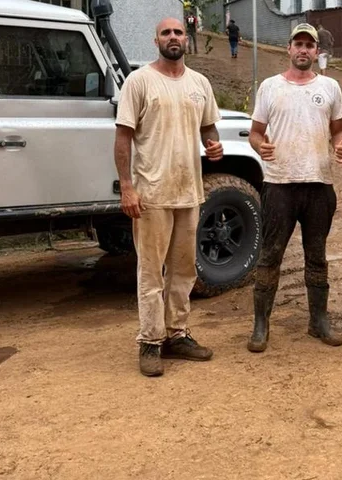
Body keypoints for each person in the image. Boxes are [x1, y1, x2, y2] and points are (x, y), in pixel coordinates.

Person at [114, 17, 224, 377]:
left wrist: (213, 144)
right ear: (156, 40)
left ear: (186, 40)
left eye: (178, 32)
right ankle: (149, 341)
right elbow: (123, 137)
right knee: (151, 273)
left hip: (188, 192)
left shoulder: (200, 83)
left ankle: (177, 334)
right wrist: (127, 187)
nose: (173, 38)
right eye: (167, 33)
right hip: (152, 195)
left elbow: (208, 125)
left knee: (184, 270)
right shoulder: (139, 81)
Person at [246, 23, 342, 353]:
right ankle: (261, 326)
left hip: (319, 184)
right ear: (288, 49)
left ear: (317, 52)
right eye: (298, 44)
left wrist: (341, 145)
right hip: (279, 185)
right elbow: (255, 133)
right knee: (270, 256)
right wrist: (259, 146)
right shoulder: (270, 87)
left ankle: (318, 321)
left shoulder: (331, 87)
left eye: (310, 45)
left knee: (316, 256)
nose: (303, 50)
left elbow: (338, 131)